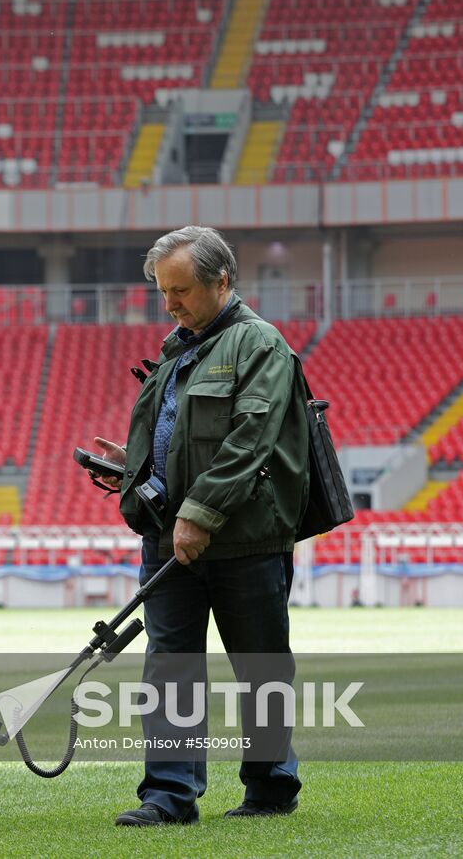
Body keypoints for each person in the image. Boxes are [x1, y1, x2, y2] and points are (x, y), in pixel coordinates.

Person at [87, 225, 308, 828]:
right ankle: (168, 795)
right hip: (168, 533)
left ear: (222, 281)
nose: (171, 303)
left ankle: (270, 788)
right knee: (170, 666)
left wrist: (199, 514)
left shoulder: (259, 343)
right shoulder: (177, 348)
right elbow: (180, 441)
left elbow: (250, 440)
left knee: (259, 664)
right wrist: (131, 471)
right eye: (163, 292)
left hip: (244, 538)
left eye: (181, 290)